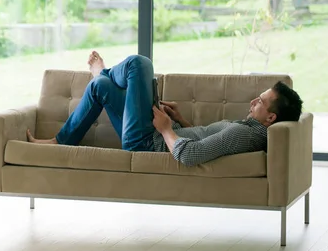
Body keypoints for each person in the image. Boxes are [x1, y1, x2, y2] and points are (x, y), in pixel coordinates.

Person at [26, 51, 303, 167]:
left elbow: (189, 153)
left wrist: (167, 129)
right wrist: (179, 121)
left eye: (261, 102)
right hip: (154, 136)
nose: (254, 101)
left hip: (148, 143)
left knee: (139, 64)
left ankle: (102, 71)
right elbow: (199, 137)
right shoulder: (250, 128)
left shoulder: (246, 136)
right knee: (101, 89)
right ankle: (59, 140)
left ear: (271, 117)